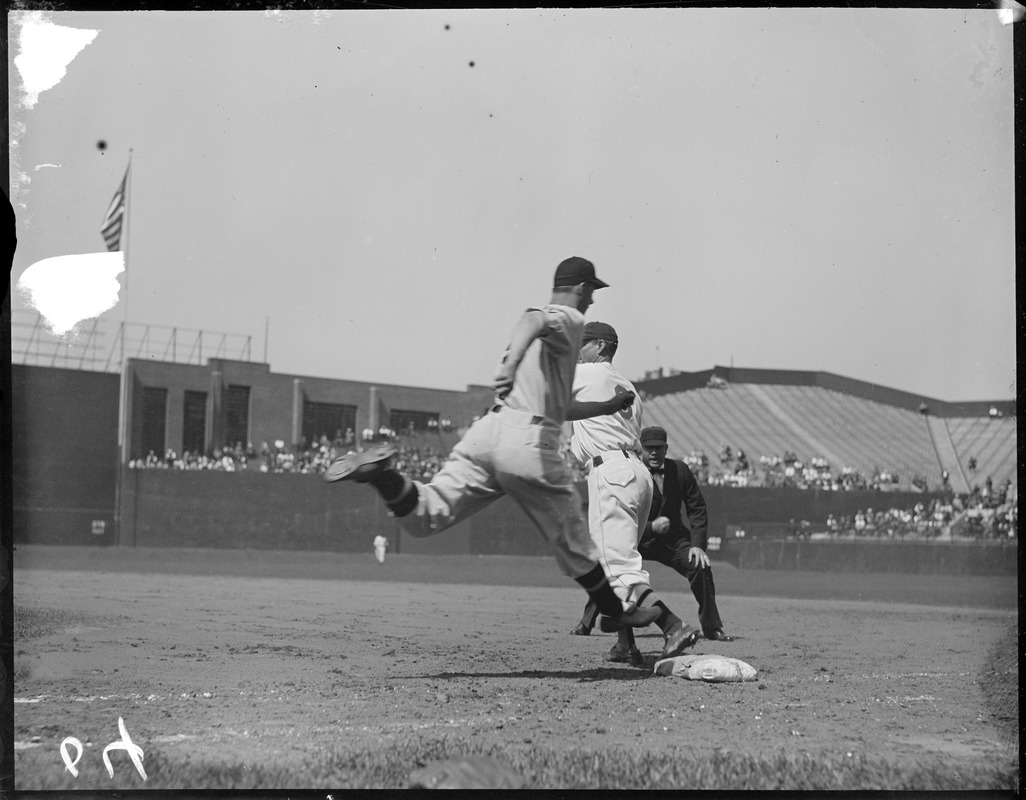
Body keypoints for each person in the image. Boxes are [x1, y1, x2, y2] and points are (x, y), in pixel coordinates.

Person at [324, 256, 660, 634]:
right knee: (575, 538)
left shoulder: (551, 349)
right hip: (528, 441)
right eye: (591, 292)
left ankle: (382, 476)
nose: (591, 302)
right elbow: (532, 319)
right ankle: (618, 609)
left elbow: (559, 404)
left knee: (425, 514)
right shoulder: (569, 317)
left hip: (490, 430)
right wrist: (510, 363)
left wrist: (605, 406)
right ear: (581, 287)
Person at [566, 322, 700, 667]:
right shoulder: (627, 385)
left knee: (616, 566)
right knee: (613, 559)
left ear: (600, 347)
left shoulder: (585, 373)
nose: (576, 349)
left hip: (610, 472)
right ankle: (626, 645)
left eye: (583, 343)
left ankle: (673, 626)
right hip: (636, 475)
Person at [571, 425, 734, 642]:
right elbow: (620, 517)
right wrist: (651, 527)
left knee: (700, 565)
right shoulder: (629, 472)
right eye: (649, 448)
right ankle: (587, 622)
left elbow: (697, 509)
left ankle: (712, 626)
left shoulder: (680, 471)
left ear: (666, 449)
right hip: (637, 537)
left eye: (659, 448)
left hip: (673, 543)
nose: (655, 452)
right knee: (611, 567)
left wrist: (697, 545)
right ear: (640, 449)